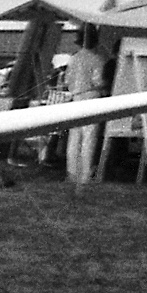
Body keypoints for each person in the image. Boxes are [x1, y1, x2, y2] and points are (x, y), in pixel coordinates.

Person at [66, 24, 109, 183]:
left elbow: (67, 80)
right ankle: (85, 174)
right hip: (91, 98)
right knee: (89, 138)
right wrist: (105, 84)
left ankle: (71, 172)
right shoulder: (98, 59)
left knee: (74, 137)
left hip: (76, 98)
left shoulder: (74, 58)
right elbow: (97, 81)